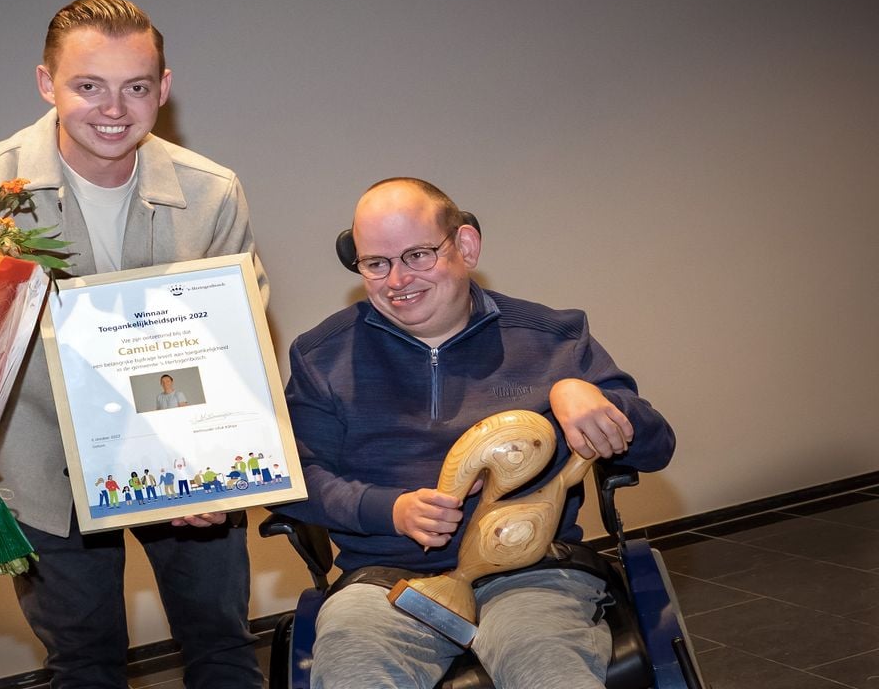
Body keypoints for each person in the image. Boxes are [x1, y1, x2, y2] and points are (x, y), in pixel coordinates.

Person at [0, 0, 264, 689]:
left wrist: (224, 458)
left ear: (163, 90)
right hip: (40, 463)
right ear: (47, 83)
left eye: (136, 87)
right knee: (84, 667)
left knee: (223, 651)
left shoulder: (211, 193)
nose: (114, 109)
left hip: (184, 465)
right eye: (88, 86)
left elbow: (240, 339)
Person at [279, 177, 675, 689]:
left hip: (532, 572)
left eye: (418, 255)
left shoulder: (553, 337)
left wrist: (591, 397)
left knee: (545, 663)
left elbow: (657, 447)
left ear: (465, 245)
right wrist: (389, 510)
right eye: (376, 263)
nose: (397, 280)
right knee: (355, 667)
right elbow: (295, 480)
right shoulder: (321, 356)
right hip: (386, 583)